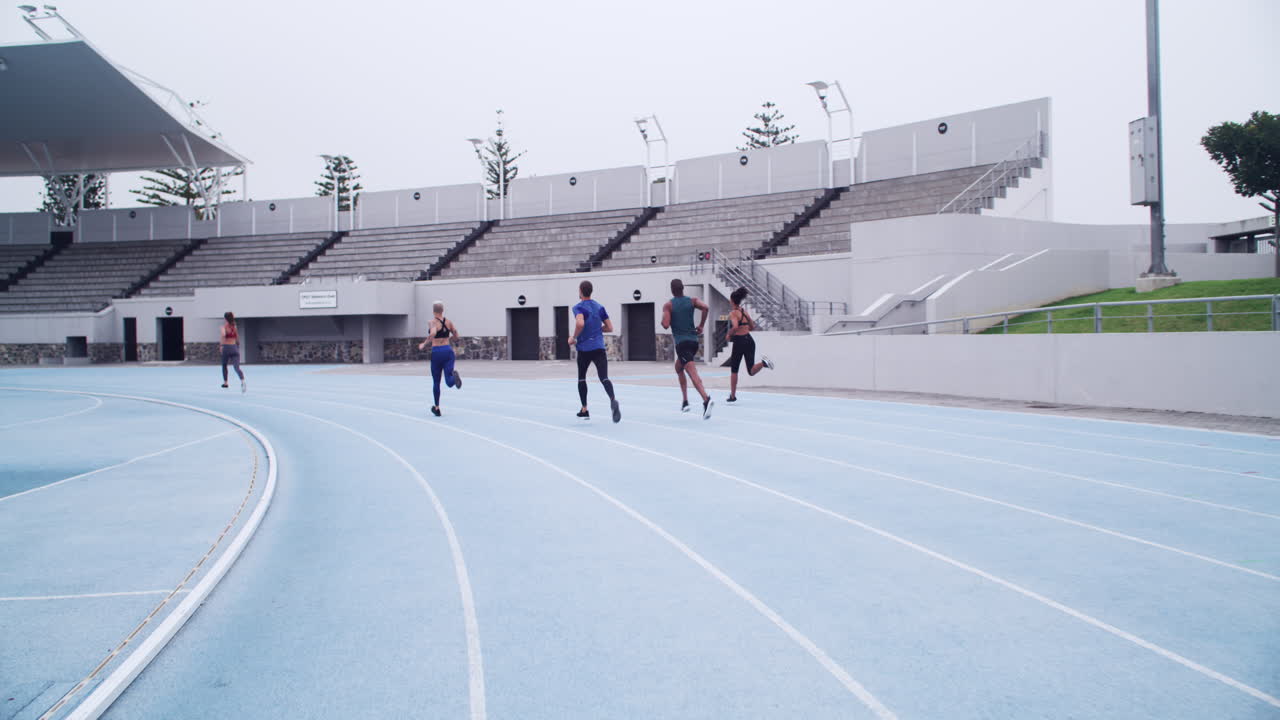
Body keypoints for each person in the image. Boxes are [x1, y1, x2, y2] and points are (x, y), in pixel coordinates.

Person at [568, 280, 620, 423]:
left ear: (580, 291)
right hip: (598, 347)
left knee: (582, 378)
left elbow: (580, 323)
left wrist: (574, 337)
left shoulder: (579, 308)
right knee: (604, 377)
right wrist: (597, 330)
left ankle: (584, 409)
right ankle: (613, 399)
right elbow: (609, 327)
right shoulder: (599, 307)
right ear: (591, 291)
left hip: (584, 349)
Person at [661, 278, 713, 419]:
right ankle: (685, 401)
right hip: (694, 343)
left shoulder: (668, 305)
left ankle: (706, 399)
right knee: (678, 368)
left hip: (682, 344)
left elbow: (665, 325)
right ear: (683, 288)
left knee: (692, 373)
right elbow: (706, 307)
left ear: (672, 290)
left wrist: (664, 318)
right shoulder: (692, 301)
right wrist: (701, 325)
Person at [725, 287, 774, 403]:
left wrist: (729, 334)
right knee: (751, 371)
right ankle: (763, 363)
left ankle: (733, 396)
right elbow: (752, 326)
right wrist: (744, 329)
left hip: (739, 342)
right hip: (749, 341)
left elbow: (735, 326)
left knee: (734, 370)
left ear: (732, 301)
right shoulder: (744, 312)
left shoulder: (733, 313)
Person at [418, 301, 462, 417]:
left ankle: (437, 408)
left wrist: (424, 344)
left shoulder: (432, 322)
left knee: (436, 382)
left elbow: (433, 333)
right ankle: (454, 380)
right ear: (442, 311)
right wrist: (451, 341)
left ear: (433, 311)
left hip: (437, 353)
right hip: (448, 351)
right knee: (448, 381)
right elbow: (456, 334)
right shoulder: (448, 322)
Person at [220, 311, 245, 393]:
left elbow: (223, 335)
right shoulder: (235, 327)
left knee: (224, 365)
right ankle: (242, 380)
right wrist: (237, 347)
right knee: (236, 367)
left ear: (225, 318)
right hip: (234, 347)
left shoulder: (224, 327)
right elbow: (237, 338)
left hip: (226, 347)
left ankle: (226, 382)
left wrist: (221, 345)